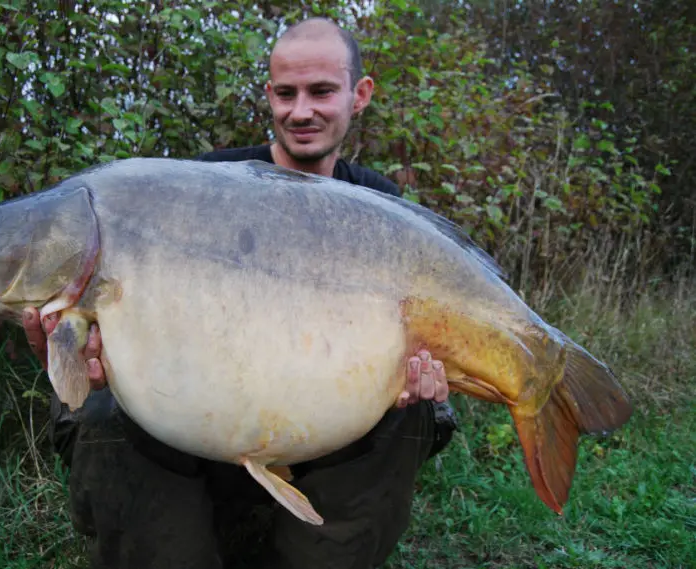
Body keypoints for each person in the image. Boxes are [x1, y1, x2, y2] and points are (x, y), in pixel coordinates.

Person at [23, 17, 458, 569]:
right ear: (269, 95)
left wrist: (418, 371)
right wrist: (85, 352)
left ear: (360, 94)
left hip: (321, 423)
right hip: (196, 422)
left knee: (417, 409)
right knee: (101, 410)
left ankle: (315, 551)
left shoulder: (379, 206)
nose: (301, 111)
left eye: (321, 91)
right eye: (285, 92)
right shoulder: (206, 184)